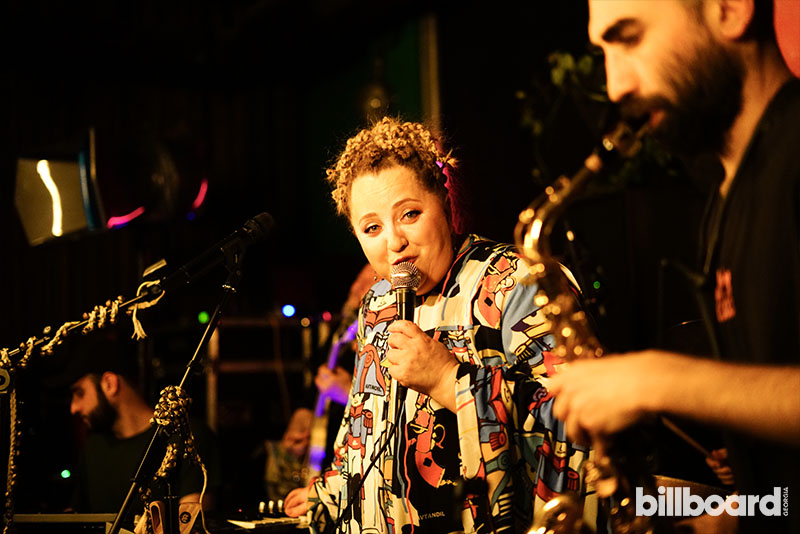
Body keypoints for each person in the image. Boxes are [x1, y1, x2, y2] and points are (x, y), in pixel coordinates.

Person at [547, 1, 800, 532]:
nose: (615, 86)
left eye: (630, 38)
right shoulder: (727, 197)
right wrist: (727, 519)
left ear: (730, 9)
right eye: (603, 50)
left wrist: (656, 380)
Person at [285, 117, 597, 533]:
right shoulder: (376, 304)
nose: (394, 242)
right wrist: (332, 493)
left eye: (410, 214)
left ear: (445, 205)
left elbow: (580, 421)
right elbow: (363, 433)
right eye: (372, 228)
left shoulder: (518, 282)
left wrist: (448, 380)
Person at [65, 330, 220, 530]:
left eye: (79, 393)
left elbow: (191, 523)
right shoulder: (93, 447)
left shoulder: (186, 434)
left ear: (110, 384)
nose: (73, 408)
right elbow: (75, 517)